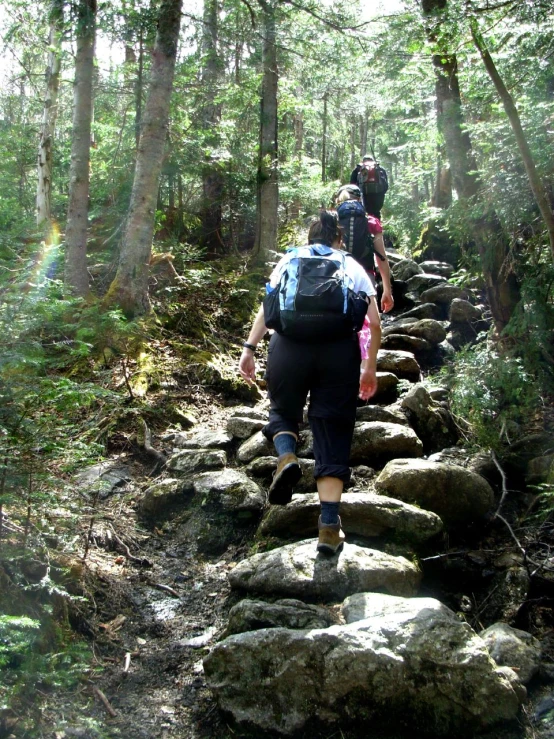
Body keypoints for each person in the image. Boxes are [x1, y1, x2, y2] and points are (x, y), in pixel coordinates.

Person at [238, 210, 381, 556]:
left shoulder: (289, 259)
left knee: (283, 411)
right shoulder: (351, 265)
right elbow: (374, 324)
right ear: (338, 238)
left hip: (288, 348)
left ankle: (287, 458)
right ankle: (329, 526)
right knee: (332, 428)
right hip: (338, 353)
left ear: (309, 236)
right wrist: (369, 367)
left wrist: (249, 348)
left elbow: (268, 307)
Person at [336, 185, 394, 314]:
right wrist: (387, 290)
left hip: (336, 277)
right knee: (368, 322)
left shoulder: (332, 221)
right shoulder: (372, 222)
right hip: (365, 276)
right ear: (360, 200)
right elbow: (381, 258)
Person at [350, 155, 388, 220]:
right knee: (376, 213)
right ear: (372, 161)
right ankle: (376, 227)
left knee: (363, 213)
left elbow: (352, 185)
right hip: (378, 195)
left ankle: (365, 228)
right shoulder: (380, 169)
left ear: (363, 161)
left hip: (364, 195)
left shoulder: (358, 169)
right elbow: (386, 186)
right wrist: (381, 193)